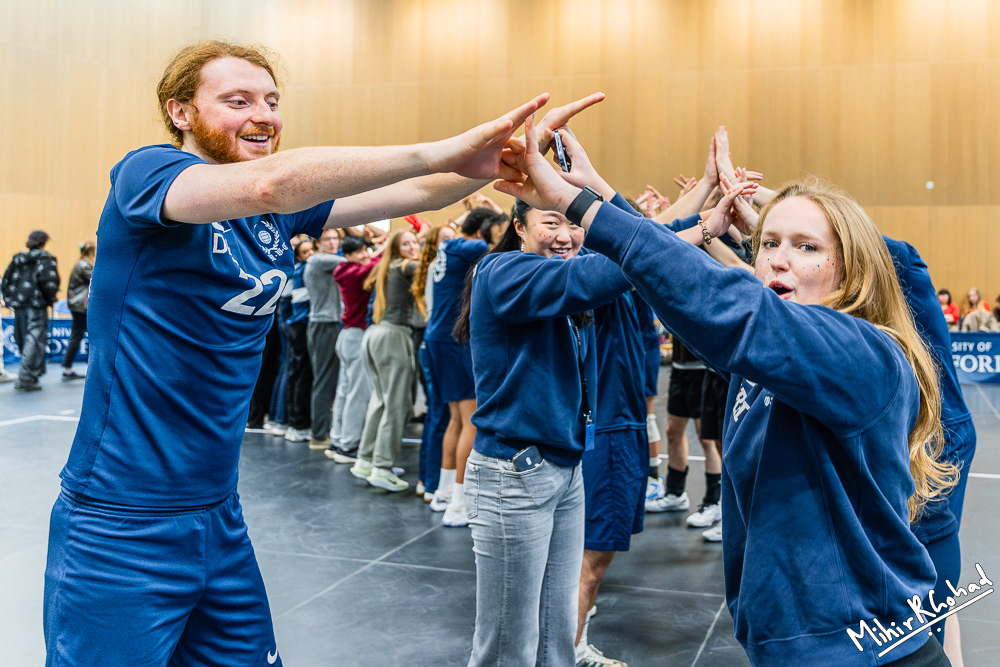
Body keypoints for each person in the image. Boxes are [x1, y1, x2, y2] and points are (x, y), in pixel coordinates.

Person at [43, 38, 554, 666]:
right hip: (121, 522)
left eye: (272, 101)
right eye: (237, 100)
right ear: (180, 112)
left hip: (216, 515)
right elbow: (272, 183)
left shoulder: (274, 219)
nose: (263, 114)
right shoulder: (149, 176)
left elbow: (420, 189)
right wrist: (438, 145)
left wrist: (500, 165)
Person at [496, 115, 957, 666]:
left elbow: (732, 306)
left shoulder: (864, 352)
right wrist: (598, 193)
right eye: (768, 243)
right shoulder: (771, 362)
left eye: (807, 247)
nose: (778, 259)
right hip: (796, 646)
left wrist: (584, 210)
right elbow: (690, 292)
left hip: (863, 652)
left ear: (851, 269)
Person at [454, 195, 633, 666]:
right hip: (513, 475)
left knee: (557, 632)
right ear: (519, 227)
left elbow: (640, 236)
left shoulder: (568, 267)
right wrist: (694, 235)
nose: (565, 235)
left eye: (576, 225)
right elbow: (618, 264)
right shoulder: (502, 272)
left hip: (564, 469)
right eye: (551, 222)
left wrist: (701, 222)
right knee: (507, 644)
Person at [424, 210, 489, 525]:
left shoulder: (447, 249)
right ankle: (460, 503)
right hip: (454, 339)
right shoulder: (471, 248)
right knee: (470, 421)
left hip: (438, 338)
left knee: (454, 418)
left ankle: (445, 491)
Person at [349, 229, 422, 491]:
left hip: (376, 334)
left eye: (415, 242)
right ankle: (382, 466)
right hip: (392, 336)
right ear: (396, 248)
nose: (413, 246)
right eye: (407, 243)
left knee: (380, 401)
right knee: (397, 404)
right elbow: (427, 267)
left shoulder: (385, 267)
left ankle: (366, 460)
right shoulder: (405, 266)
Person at [326, 235, 381, 462]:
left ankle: (338, 439)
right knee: (357, 393)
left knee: (345, 391)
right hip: (355, 335)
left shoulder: (344, 270)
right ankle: (348, 445)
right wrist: (386, 246)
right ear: (347, 255)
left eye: (366, 250)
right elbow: (377, 264)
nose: (365, 255)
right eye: (360, 252)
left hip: (348, 335)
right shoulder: (353, 272)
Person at [411, 224, 456, 499]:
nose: (453, 245)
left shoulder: (433, 270)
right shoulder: (437, 270)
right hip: (438, 345)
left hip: (431, 343)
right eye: (447, 240)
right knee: (441, 415)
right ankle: (433, 482)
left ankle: (426, 480)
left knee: (436, 415)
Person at [1, 230, 60, 392]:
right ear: (44, 242)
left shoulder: (18, 258)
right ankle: (27, 377)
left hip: (19, 306)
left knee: (23, 339)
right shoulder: (45, 258)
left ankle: (29, 374)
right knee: (33, 341)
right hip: (36, 306)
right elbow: (49, 283)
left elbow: (5, 281)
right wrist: (51, 298)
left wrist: (10, 299)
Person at [304, 228, 346, 450]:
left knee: (327, 380)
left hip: (327, 323)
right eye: (327, 239)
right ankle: (319, 435)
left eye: (335, 239)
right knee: (323, 380)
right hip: (324, 325)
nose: (332, 242)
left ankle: (322, 431)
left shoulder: (325, 260)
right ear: (317, 243)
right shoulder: (320, 260)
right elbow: (353, 261)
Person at [283, 238, 316, 442]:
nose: (311, 254)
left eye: (312, 250)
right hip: (301, 325)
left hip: (296, 324)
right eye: (306, 252)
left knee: (297, 373)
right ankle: (298, 423)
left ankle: (294, 421)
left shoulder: (295, 269)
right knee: (302, 374)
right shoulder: (302, 270)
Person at [61, 242, 96, 381]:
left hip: (78, 305)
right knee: (79, 336)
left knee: (78, 335)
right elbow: (97, 279)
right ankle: (68, 368)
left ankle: (68, 367)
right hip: (81, 306)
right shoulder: (84, 266)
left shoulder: (81, 264)